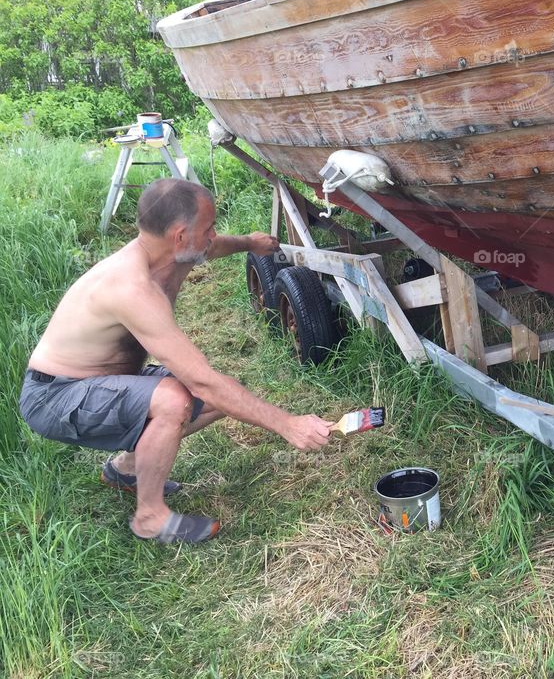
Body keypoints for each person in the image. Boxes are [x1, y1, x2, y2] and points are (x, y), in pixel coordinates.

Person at [19, 178, 334, 543]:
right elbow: (201, 380)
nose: (214, 234)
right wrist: (288, 424)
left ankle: (128, 468)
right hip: (55, 396)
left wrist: (251, 243)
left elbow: (212, 248)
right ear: (180, 236)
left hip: (98, 381)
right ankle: (149, 517)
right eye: (209, 227)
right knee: (177, 398)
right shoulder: (131, 287)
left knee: (223, 400)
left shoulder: (172, 252)